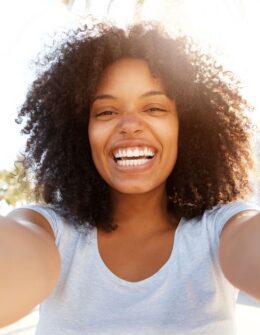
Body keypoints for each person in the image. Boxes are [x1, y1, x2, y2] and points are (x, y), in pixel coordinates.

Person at [0, 21, 259, 334]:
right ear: (80, 133)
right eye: (106, 112)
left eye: (153, 108)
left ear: (188, 128)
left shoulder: (219, 229)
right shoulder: (48, 231)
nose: (130, 125)